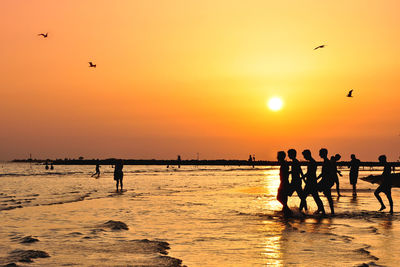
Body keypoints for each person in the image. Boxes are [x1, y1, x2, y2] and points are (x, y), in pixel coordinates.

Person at [302, 149, 325, 215]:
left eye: (304, 156)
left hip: (311, 183)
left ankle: (302, 211)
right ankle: (322, 211)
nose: (304, 157)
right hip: (311, 182)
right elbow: (308, 173)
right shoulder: (311, 162)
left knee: (304, 197)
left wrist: (305, 178)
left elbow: (310, 173)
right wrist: (303, 177)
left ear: (307, 155)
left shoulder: (312, 162)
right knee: (315, 197)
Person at [317, 148, 335, 215]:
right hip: (324, 181)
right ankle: (326, 210)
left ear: (324, 154)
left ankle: (324, 210)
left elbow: (327, 173)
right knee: (328, 196)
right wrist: (317, 178)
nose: (319, 154)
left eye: (320, 153)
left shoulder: (327, 162)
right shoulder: (325, 161)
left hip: (326, 181)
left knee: (328, 196)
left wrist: (320, 180)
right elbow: (323, 173)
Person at [276, 151, 292, 216]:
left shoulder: (284, 164)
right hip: (284, 182)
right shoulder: (284, 163)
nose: (277, 157)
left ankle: (288, 210)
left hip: (284, 183)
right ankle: (285, 210)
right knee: (284, 198)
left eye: (278, 156)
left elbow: (286, 174)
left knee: (279, 197)